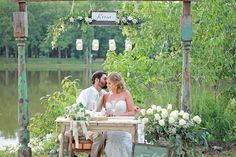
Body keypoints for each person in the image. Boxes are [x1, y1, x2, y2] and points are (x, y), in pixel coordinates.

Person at [102, 72, 135, 157]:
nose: (107, 85)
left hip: (123, 128)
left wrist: (117, 115)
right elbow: (103, 112)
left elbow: (132, 112)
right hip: (110, 129)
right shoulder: (106, 96)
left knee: (123, 146)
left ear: (116, 83)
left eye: (109, 83)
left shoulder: (126, 93)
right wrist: (105, 114)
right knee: (111, 148)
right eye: (107, 83)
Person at [76, 71, 107, 157]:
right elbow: (80, 109)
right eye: (105, 78)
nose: (107, 81)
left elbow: (111, 106)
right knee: (100, 136)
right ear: (97, 80)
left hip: (97, 127)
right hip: (84, 126)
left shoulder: (104, 94)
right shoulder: (85, 93)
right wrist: (96, 115)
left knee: (109, 134)